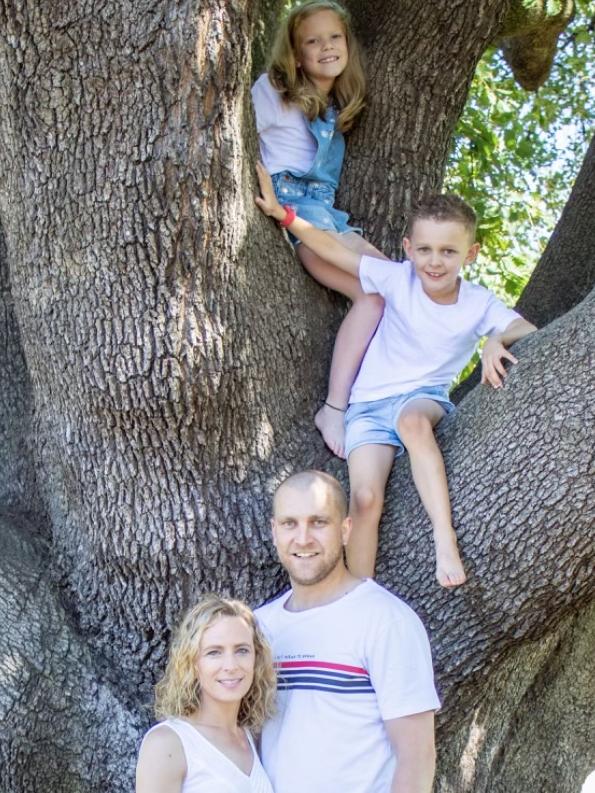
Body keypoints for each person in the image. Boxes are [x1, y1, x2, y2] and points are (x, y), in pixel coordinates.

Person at [255, 166, 537, 586]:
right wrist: (286, 216)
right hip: (367, 407)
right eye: (424, 250)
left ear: (470, 254)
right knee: (365, 499)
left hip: (422, 398)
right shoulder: (396, 279)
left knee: (412, 422)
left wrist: (496, 338)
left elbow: (527, 330)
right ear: (407, 248)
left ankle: (446, 542)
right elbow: (337, 253)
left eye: (448, 251)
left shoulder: (478, 302)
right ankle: (358, 595)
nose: (435, 262)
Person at [252, 0, 386, 459]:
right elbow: (235, 138)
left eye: (334, 37)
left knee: (398, 286)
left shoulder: (334, 108)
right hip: (299, 217)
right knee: (375, 295)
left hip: (328, 217)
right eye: (312, 41)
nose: (326, 47)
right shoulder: (274, 91)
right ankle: (335, 407)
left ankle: (378, 399)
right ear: (296, 53)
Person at [256, 470, 440, 793]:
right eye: (289, 524)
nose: (303, 538)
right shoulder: (258, 628)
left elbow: (417, 756)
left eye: (319, 522)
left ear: (345, 530)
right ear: (274, 532)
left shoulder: (385, 620)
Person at [136, 595, 276, 793]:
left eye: (242, 650)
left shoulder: (251, 737)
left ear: (256, 658)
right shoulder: (168, 744)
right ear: (192, 662)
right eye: (214, 652)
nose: (231, 666)